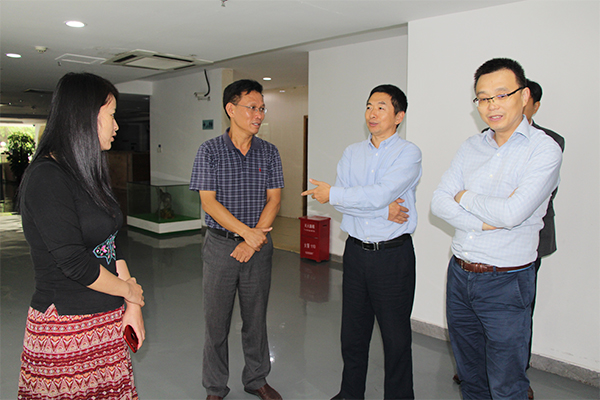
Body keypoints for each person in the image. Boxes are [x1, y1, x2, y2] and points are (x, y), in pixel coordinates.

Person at [431, 58, 562, 399]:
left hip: (506, 282)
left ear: (524, 96)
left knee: (507, 385)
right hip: (459, 275)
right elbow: (439, 202)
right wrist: (484, 219)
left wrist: (465, 196)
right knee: (470, 377)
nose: (492, 105)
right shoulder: (470, 146)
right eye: (483, 98)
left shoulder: (544, 149)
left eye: (502, 95)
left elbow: (512, 213)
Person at [17, 72, 146, 398]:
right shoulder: (47, 177)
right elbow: (74, 262)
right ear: (85, 116)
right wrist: (128, 291)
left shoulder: (88, 174)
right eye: (112, 115)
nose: (117, 126)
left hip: (108, 321)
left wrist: (131, 303)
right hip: (68, 329)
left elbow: (110, 243)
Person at [302, 84, 421, 399]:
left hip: (392, 256)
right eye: (369, 106)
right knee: (352, 335)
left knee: (396, 339)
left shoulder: (408, 153)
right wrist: (382, 209)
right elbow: (347, 204)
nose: (372, 113)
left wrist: (338, 195)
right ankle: (350, 394)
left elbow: (378, 193)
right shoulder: (352, 153)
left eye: (381, 107)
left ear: (399, 116)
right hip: (355, 253)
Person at [190, 79, 284, 400]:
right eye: (252, 107)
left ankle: (256, 379)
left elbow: (274, 199)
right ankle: (215, 387)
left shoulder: (269, 152)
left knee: (255, 319)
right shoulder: (210, 151)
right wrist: (246, 234)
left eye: (262, 108)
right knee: (216, 322)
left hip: (258, 248)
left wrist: (252, 241)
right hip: (220, 246)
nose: (258, 114)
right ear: (231, 109)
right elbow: (208, 202)